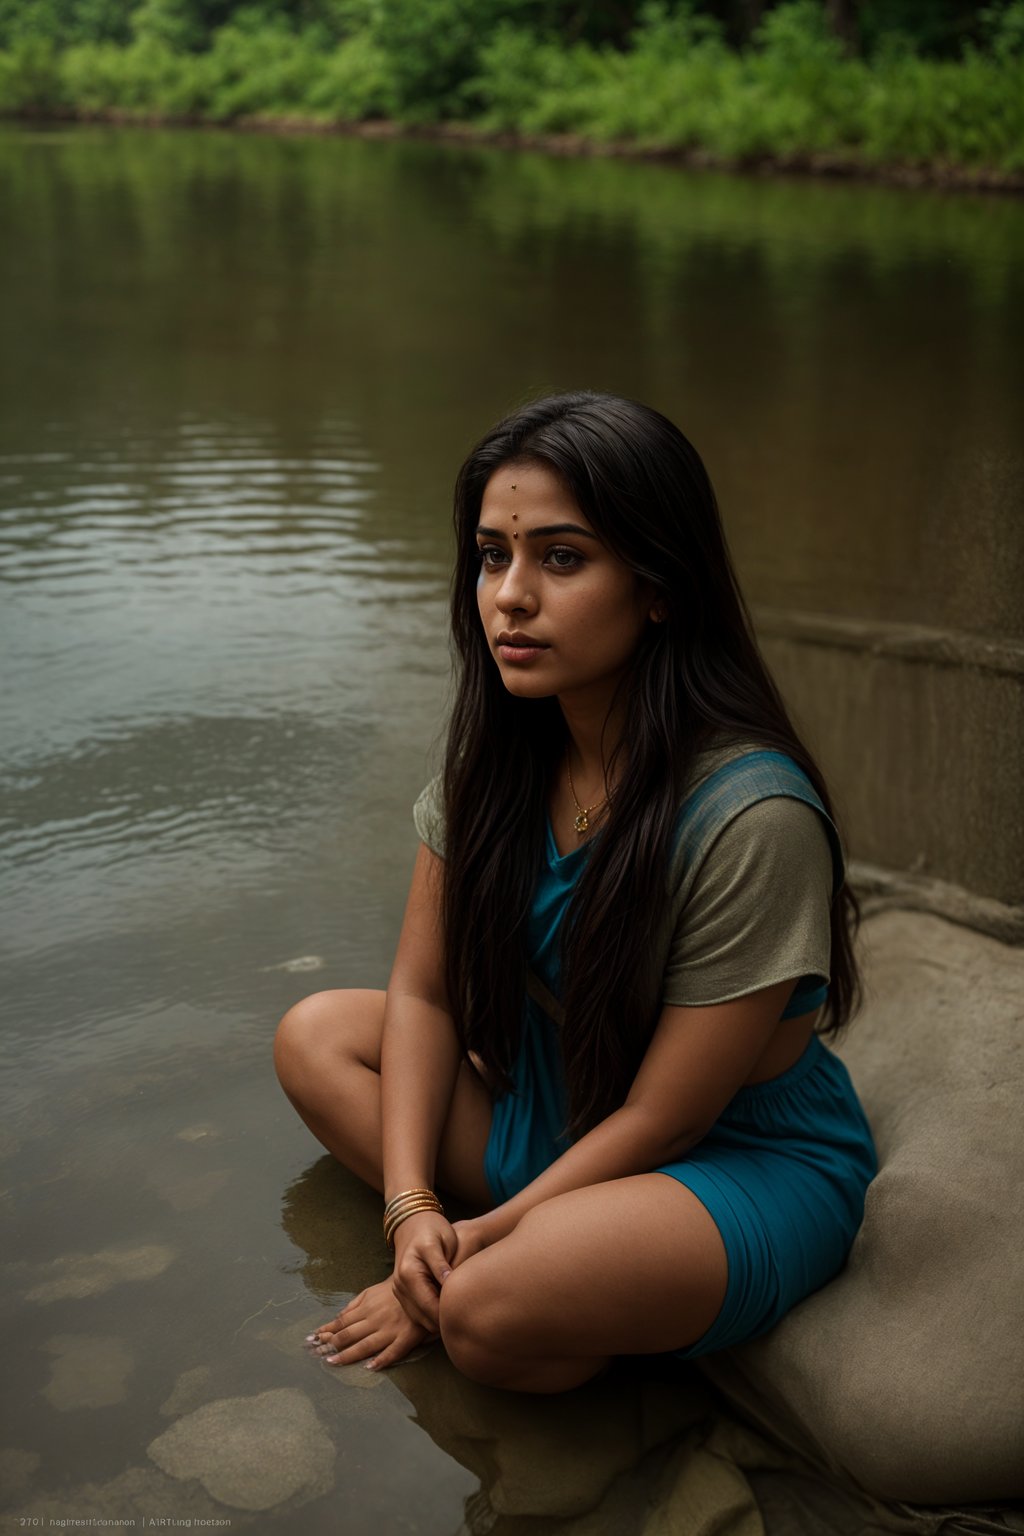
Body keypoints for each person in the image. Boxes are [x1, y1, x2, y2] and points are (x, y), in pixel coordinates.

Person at [273, 391, 878, 1393]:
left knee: (480, 1317)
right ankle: (569, 1258)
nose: (509, 595)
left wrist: (457, 1254)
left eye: (560, 558)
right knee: (314, 1037)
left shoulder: (750, 816)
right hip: (558, 1109)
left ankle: (570, 1273)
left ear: (658, 586)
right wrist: (411, 1207)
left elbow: (667, 1120)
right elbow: (422, 996)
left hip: (725, 1158)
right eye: (490, 556)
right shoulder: (494, 776)